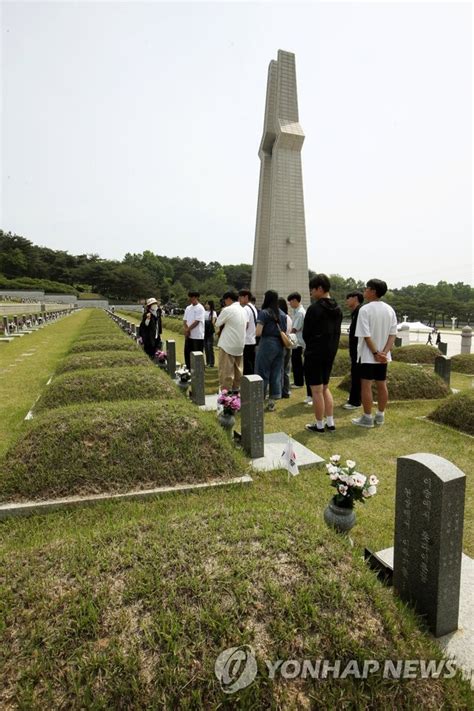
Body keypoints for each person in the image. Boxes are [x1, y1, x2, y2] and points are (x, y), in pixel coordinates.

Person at [352, 278, 398, 428]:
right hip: (383, 356)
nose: (364, 291)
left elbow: (366, 335)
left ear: (373, 291)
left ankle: (367, 417)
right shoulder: (390, 310)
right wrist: (384, 352)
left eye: (366, 288)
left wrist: (376, 353)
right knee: (381, 384)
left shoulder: (365, 309)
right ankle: (380, 415)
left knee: (366, 385)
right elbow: (393, 334)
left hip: (367, 355)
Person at [303, 274, 343, 433]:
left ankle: (319, 424)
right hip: (330, 351)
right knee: (325, 387)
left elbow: (307, 334)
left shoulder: (315, 308)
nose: (311, 293)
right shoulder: (338, 309)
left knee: (316, 390)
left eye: (312, 289)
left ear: (320, 288)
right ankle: (330, 422)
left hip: (315, 352)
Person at [255, 290, 287, 412]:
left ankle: (259, 400)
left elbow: (258, 332)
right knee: (276, 372)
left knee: (262, 372)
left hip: (267, 343)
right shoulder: (283, 314)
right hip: (280, 344)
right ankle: (272, 402)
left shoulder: (264, 313)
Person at [215, 291, 247, 392]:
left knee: (226, 372)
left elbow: (217, 323)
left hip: (228, 344)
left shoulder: (227, 310)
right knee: (238, 371)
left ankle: (225, 395)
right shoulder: (243, 310)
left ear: (228, 299)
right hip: (240, 344)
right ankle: (236, 391)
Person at [343, 291, 364, 410]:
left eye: (348, 298)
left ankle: (355, 401)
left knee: (357, 374)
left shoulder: (360, 311)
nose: (347, 301)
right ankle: (354, 397)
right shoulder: (355, 312)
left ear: (355, 298)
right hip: (355, 349)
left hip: (358, 349)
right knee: (355, 373)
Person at [183, 291, 205, 370]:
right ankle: (189, 369)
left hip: (197, 336)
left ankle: (198, 371)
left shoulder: (200, 308)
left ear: (196, 297)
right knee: (187, 353)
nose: (190, 299)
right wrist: (186, 330)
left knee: (197, 354)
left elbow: (197, 321)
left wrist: (188, 329)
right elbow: (185, 320)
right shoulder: (188, 308)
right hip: (189, 335)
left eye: (191, 297)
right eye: (189, 297)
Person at [287, 292, 306, 388]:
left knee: (297, 362)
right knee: (296, 362)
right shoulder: (298, 311)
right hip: (297, 341)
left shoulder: (300, 312)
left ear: (295, 300)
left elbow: (295, 328)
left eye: (290, 301)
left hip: (298, 342)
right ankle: (297, 381)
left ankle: (299, 383)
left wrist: (287, 337)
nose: (290, 304)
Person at [238, 289, 258, 374]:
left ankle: (248, 383)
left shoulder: (246, 309)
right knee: (251, 362)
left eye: (240, 298)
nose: (239, 300)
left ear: (246, 297)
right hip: (252, 339)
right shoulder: (253, 307)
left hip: (246, 340)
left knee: (246, 364)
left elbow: (245, 325)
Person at [278, 297, 293, 398]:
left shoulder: (281, 317)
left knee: (280, 369)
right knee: (286, 369)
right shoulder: (288, 317)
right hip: (288, 343)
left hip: (282, 344)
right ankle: (286, 390)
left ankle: (281, 390)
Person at [204, 300, 217, 367]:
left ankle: (211, 362)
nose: (206, 305)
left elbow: (213, 322)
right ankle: (207, 362)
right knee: (206, 347)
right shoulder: (204, 312)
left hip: (210, 332)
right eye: (206, 304)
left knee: (210, 347)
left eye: (207, 304)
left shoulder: (213, 313)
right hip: (205, 332)